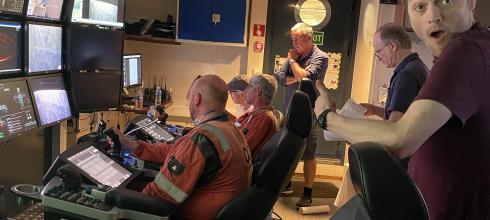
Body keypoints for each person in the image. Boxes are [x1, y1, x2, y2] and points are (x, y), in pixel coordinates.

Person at [314, 0, 490, 219]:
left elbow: (399, 138)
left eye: (445, 1)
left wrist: (326, 117)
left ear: (470, 2)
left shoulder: (465, 53)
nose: (433, 16)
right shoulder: (469, 49)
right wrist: (378, 111)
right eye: (420, 7)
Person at [109, 75, 253, 220]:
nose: (188, 101)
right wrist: (133, 146)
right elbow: (175, 152)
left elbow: (158, 197)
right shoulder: (231, 129)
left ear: (197, 99)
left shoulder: (201, 137)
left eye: (189, 97)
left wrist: (110, 195)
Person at [275, 22, 328, 207]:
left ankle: (307, 193)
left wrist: (292, 62)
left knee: (309, 153)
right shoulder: (293, 54)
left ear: (308, 38)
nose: (293, 43)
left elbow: (306, 77)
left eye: (296, 39)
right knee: (286, 149)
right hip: (289, 109)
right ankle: (287, 184)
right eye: (292, 39)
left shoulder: (320, 57)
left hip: (309, 112)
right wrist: (294, 75)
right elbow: (279, 78)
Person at [361, 23, 428, 123]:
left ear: (392, 46)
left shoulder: (406, 75)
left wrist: (358, 129)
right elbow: (404, 113)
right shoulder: (417, 66)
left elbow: (395, 125)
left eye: (378, 52)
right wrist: (374, 110)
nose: (378, 58)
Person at [235, 74, 281, 160]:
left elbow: (242, 149)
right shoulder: (256, 114)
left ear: (257, 90)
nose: (245, 91)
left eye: (248, 87)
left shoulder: (263, 118)